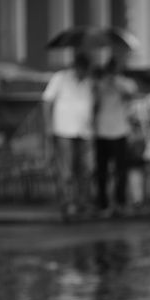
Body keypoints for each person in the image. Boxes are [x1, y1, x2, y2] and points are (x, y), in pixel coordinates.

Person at [43, 52, 94, 219]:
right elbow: (47, 101)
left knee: (84, 169)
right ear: (77, 67)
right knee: (67, 169)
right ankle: (68, 202)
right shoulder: (60, 78)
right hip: (64, 130)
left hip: (84, 132)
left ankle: (82, 202)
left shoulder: (89, 82)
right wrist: (48, 125)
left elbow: (95, 103)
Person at [93, 57, 137, 217]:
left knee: (121, 171)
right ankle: (103, 203)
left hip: (120, 131)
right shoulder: (99, 84)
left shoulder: (125, 84)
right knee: (102, 171)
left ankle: (120, 202)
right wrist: (103, 84)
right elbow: (94, 103)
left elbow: (131, 96)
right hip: (101, 132)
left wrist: (116, 84)